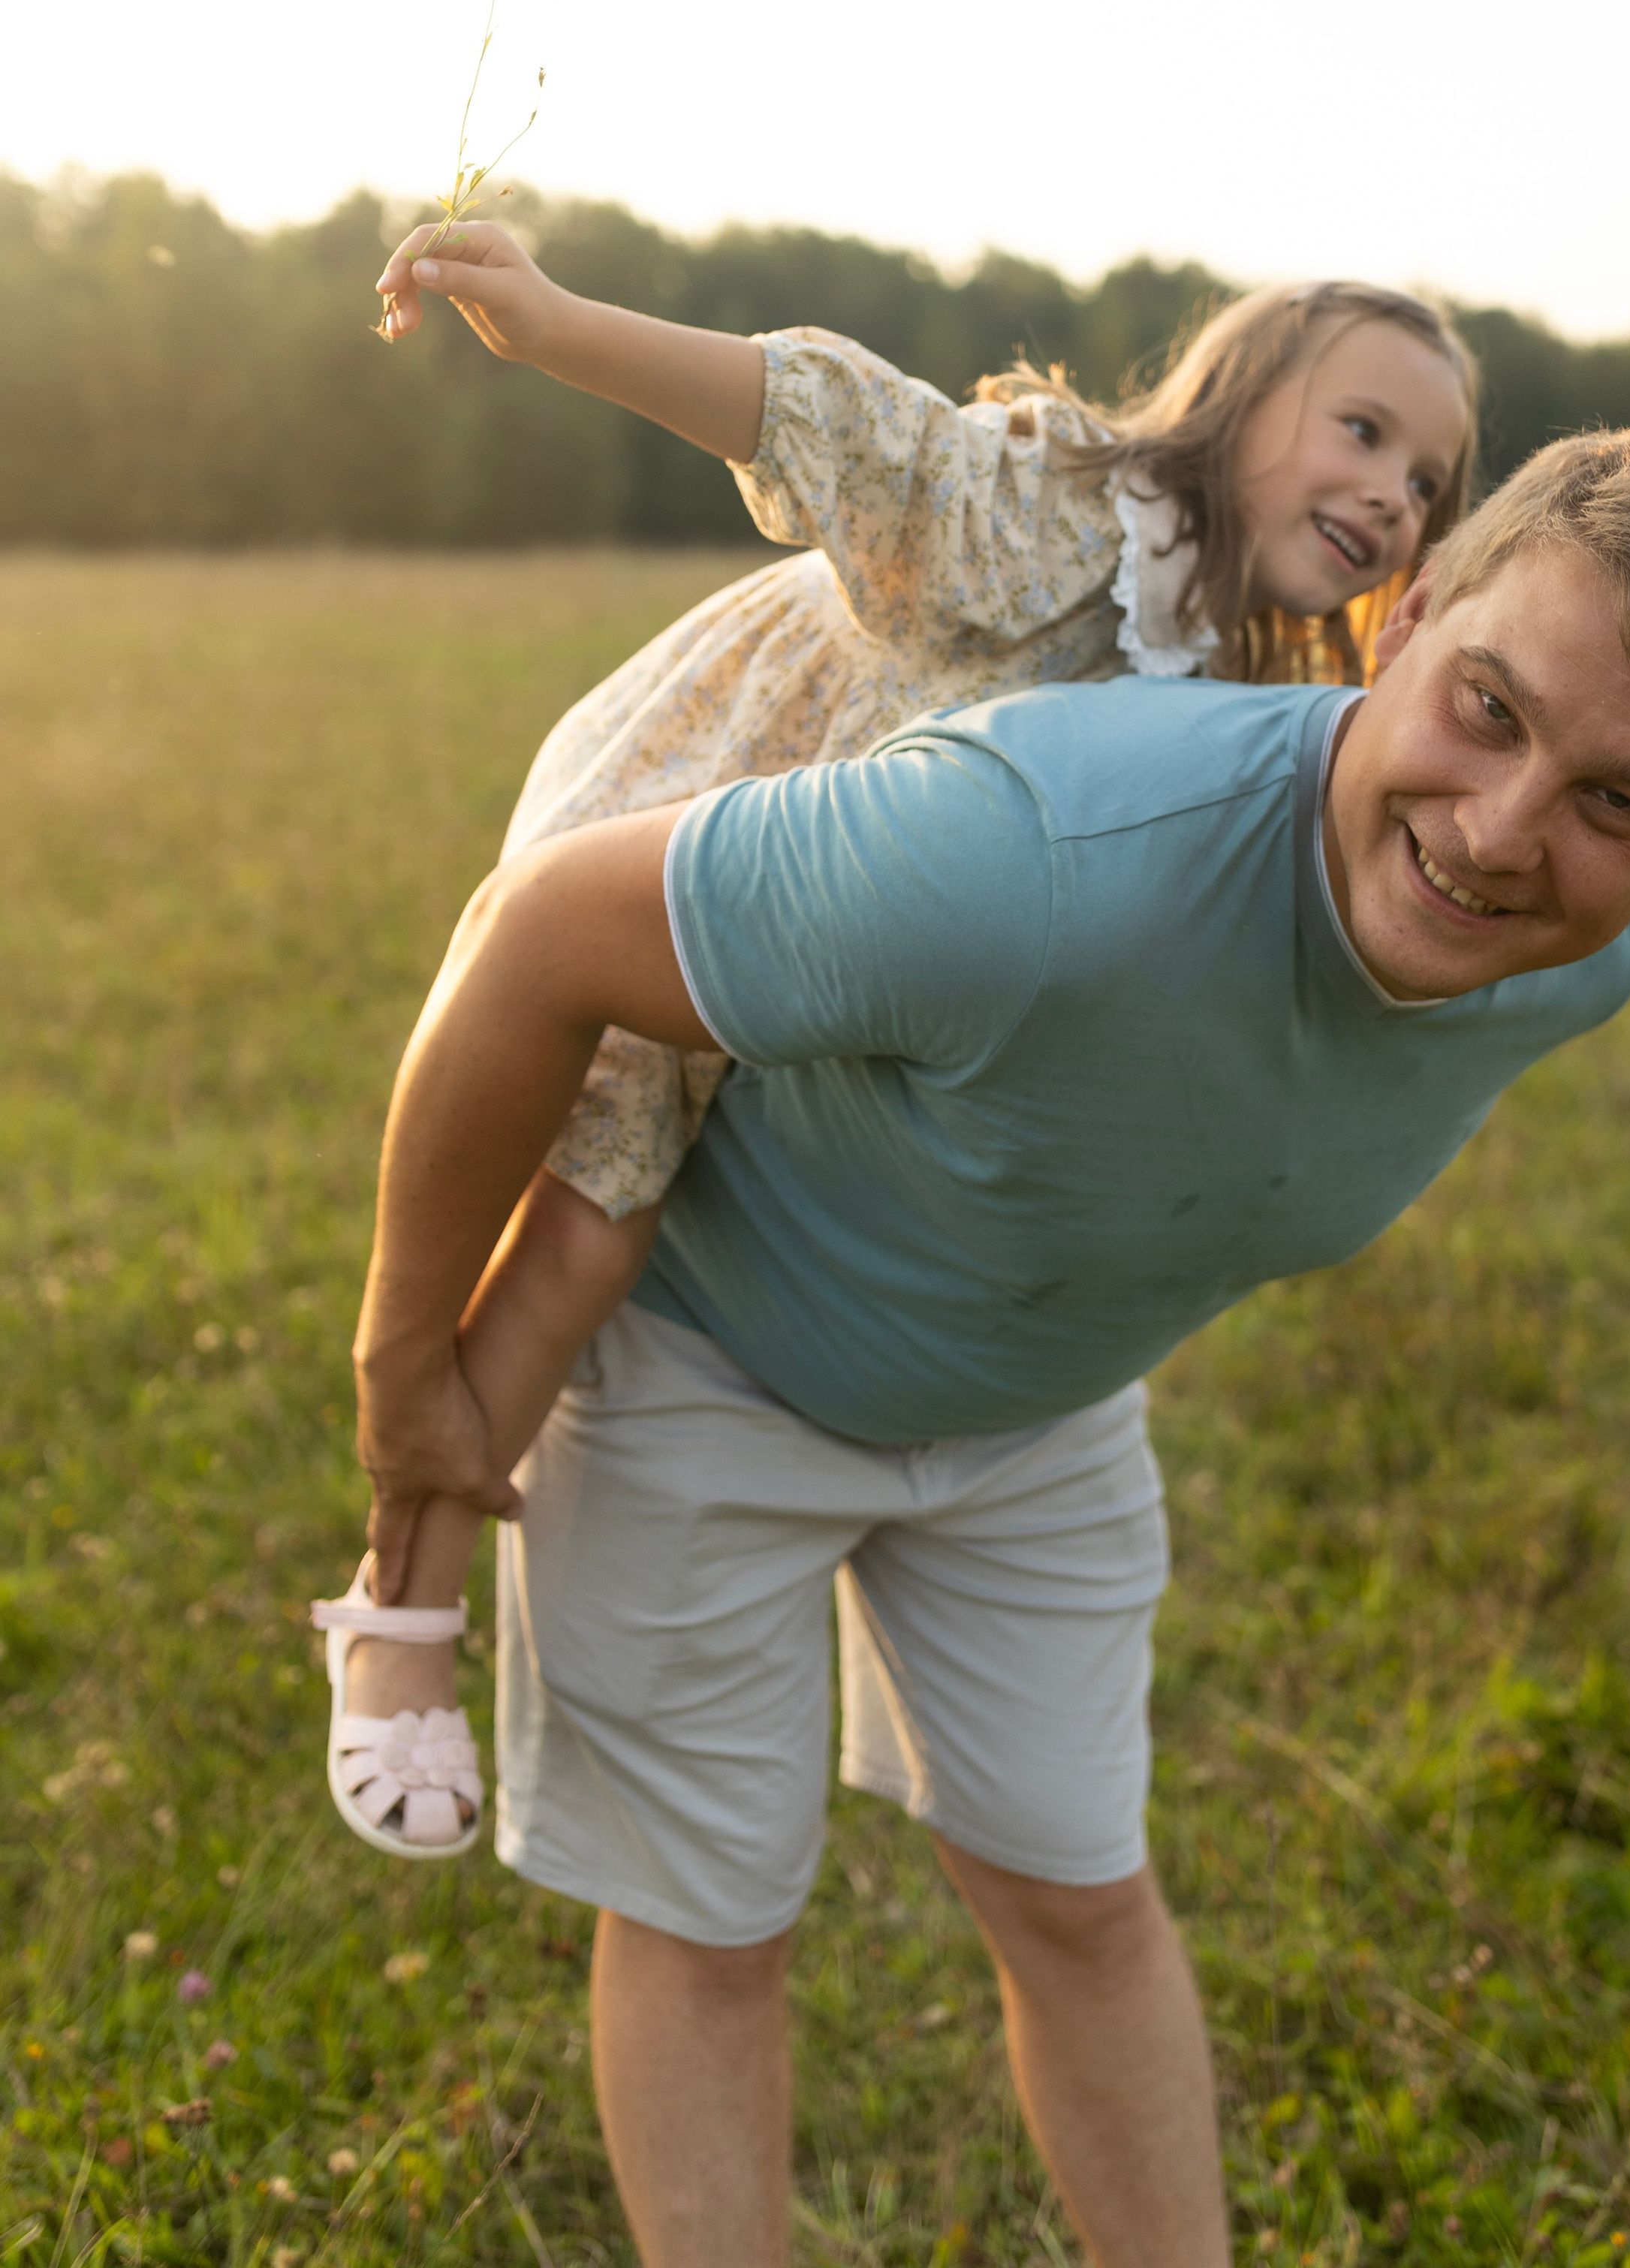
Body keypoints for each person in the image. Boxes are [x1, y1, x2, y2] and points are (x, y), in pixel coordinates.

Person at [340, 420, 1630, 2267]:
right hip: (703, 1375)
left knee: (1079, 1894)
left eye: (1621, 805)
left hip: (1037, 1416)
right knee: (710, 1923)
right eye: (1487, 708)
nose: (1496, 834)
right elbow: (537, 934)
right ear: (1410, 609)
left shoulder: (1579, 965)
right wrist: (403, 1364)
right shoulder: (1024, 844)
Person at [312, 226, 1478, 1856]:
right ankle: (397, 1621)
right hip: (689, 837)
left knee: (660, 1222)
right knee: (584, 1238)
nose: (1390, 492)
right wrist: (556, 322)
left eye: (1427, 480)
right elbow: (822, 419)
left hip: (847, 950)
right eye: (1362, 430)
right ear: (1237, 395)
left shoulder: (1221, 675)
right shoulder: (1061, 506)